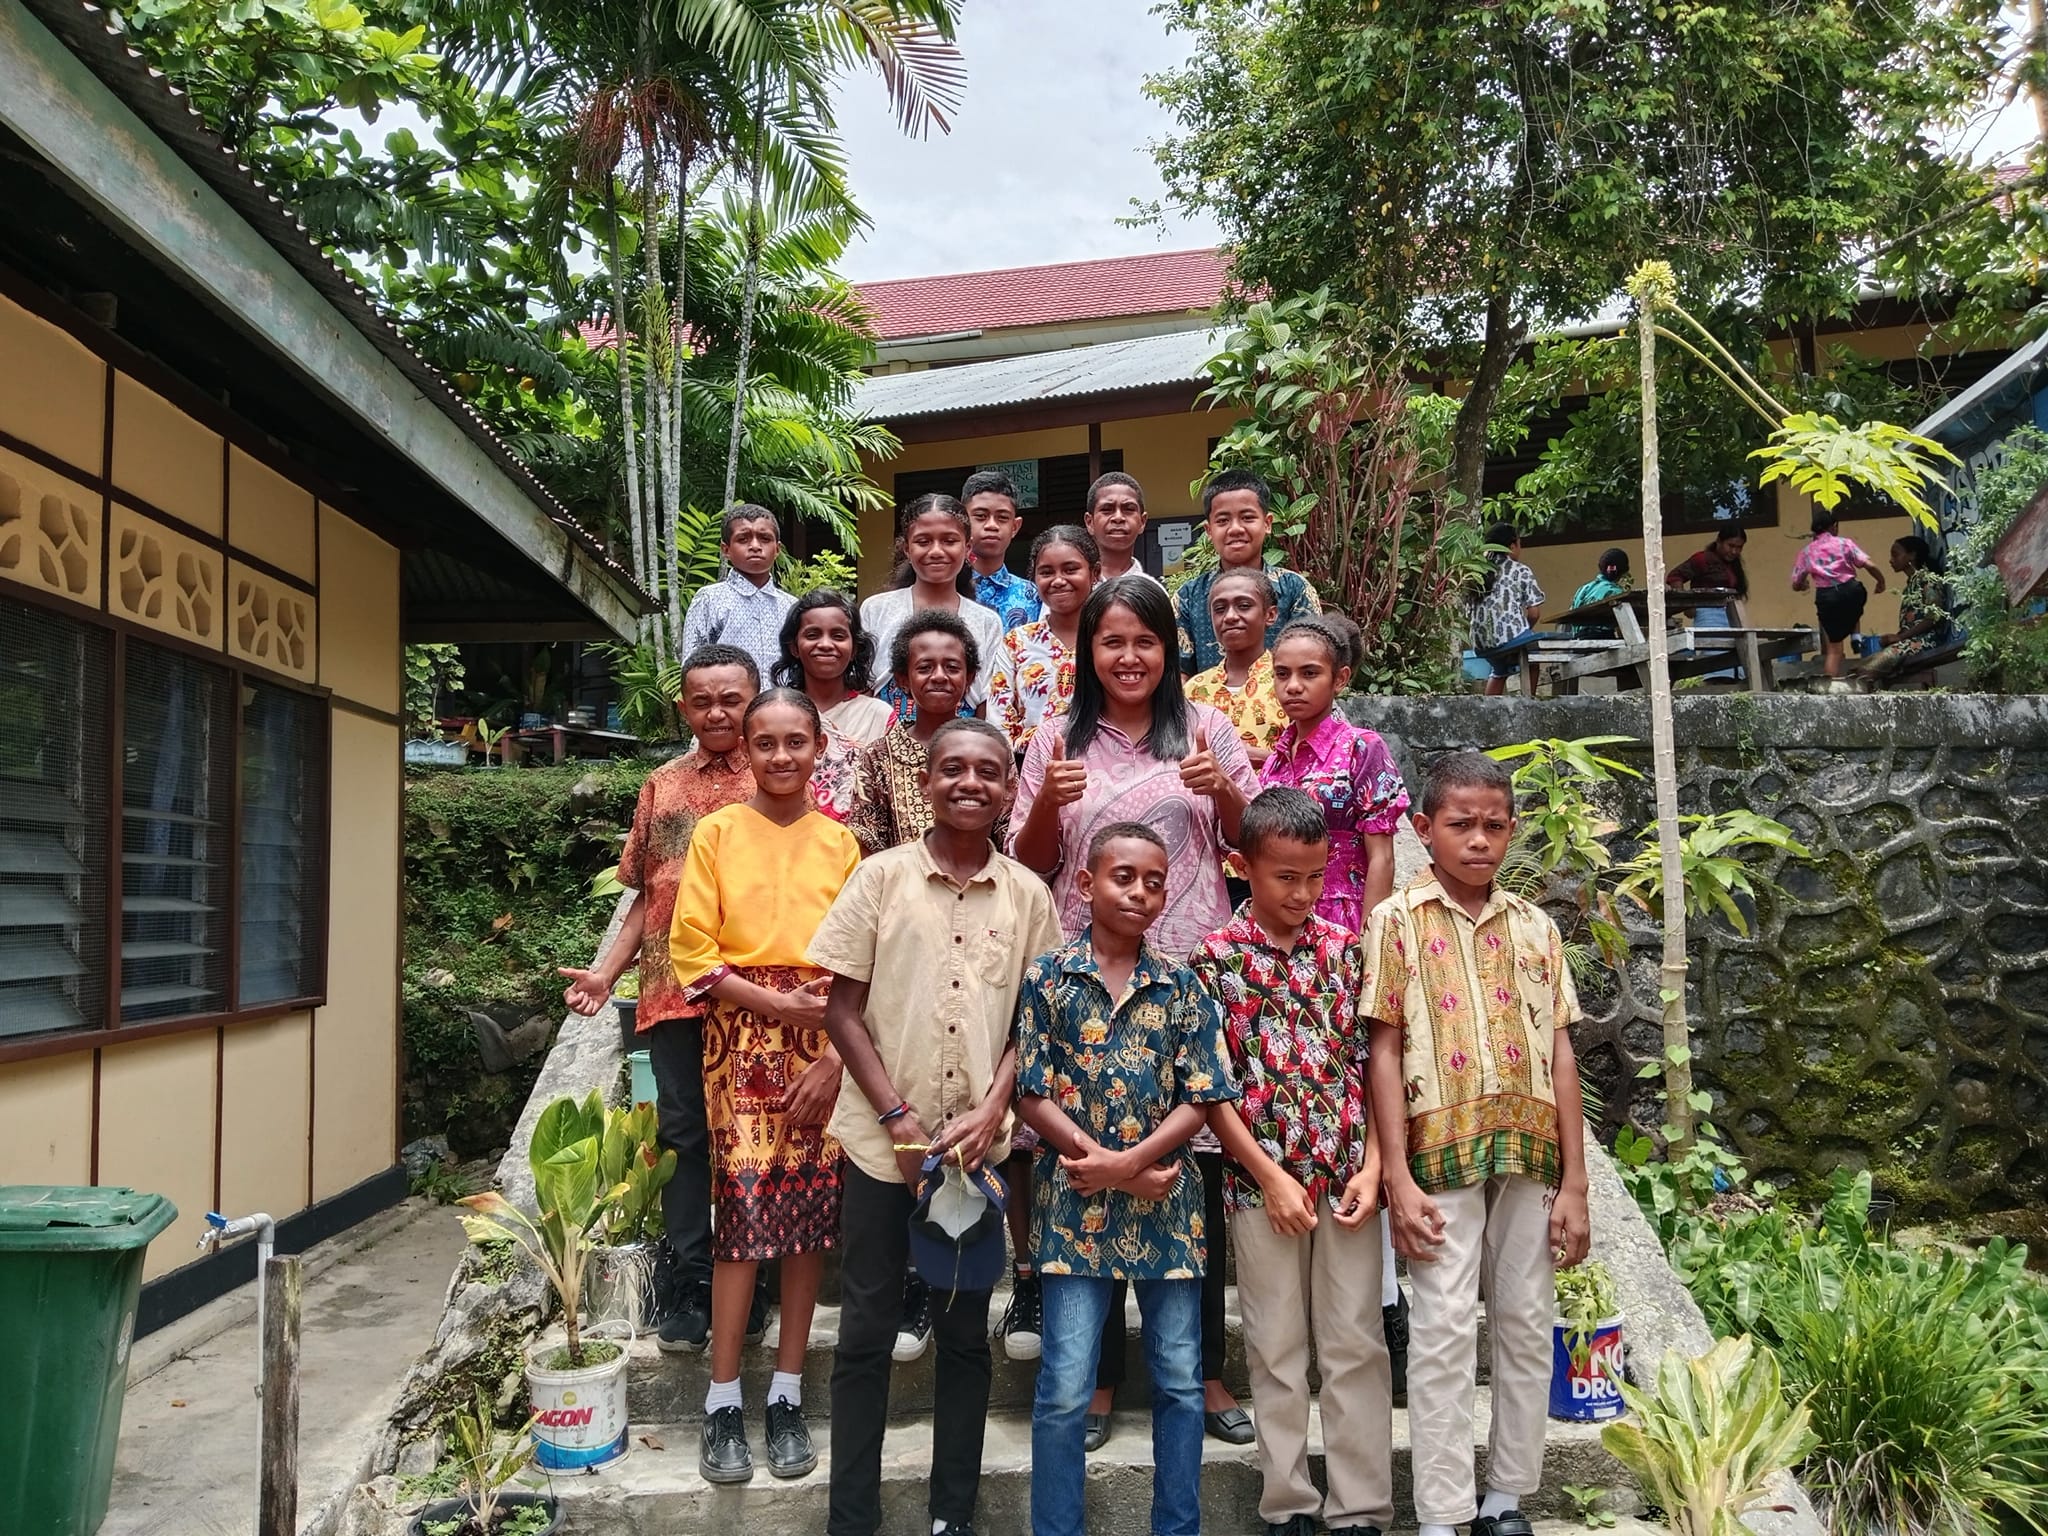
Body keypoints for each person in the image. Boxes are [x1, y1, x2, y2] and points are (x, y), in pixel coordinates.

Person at [1009, 573, 1258, 1448]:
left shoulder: (1208, 730)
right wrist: (1049, 800)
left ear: (1169, 650)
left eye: (1145, 641)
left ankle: (1209, 1373)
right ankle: (1101, 1380)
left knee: (1196, 1170)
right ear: (1089, 650)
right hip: (1090, 985)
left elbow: (1255, 841)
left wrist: (1224, 790)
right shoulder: (1055, 736)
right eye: (1111, 641)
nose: (1128, 656)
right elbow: (1031, 862)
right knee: (1092, 1167)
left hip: (1189, 976)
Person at [811, 718, 1063, 1536]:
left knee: (962, 1335)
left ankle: (952, 1514)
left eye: (988, 772)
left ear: (1009, 788)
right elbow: (842, 1010)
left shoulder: (1028, 896)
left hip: (972, 1158)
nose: (969, 783)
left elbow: (1036, 1023)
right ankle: (851, 1517)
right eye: (952, 768)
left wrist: (994, 1109)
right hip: (881, 1149)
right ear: (926, 782)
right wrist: (896, 1116)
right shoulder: (880, 878)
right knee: (865, 1332)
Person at [1362, 752, 1592, 1536]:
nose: (1480, 839)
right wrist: (1396, 1176)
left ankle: (1506, 1498)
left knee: (1526, 1318)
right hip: (1438, 1151)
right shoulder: (1396, 921)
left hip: (1531, 1152)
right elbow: (1383, 1050)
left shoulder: (1536, 926)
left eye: (1495, 825)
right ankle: (1441, 1512)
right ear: (1423, 829)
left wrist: (1577, 1183)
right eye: (1461, 824)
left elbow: (1560, 1052)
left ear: (1513, 829)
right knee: (1443, 1327)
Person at [1015, 821, 1238, 1536]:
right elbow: (1030, 1091)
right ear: (1085, 883)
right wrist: (1106, 1166)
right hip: (1072, 1212)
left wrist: (1131, 1164)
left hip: (1167, 1210)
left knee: (1179, 1382)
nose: (1139, 892)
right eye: (1123, 877)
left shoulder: (1182, 984)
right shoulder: (1048, 978)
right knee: (1064, 1388)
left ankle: (1177, 1527)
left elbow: (1203, 1094)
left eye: (1154, 882)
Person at [670, 689, 863, 1485]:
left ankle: (786, 1393)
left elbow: (861, 962)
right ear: (744, 751)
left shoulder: (841, 842)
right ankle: (722, 1400)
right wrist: (774, 1004)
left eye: (796, 742)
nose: (782, 757)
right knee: (746, 1211)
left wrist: (837, 1055)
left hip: (825, 1037)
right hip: (741, 1033)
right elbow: (693, 951)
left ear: (820, 748)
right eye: (766, 743)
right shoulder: (716, 832)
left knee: (811, 1218)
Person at [1193, 788, 1391, 1536]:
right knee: (1275, 1345)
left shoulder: (1345, 952)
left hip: (1347, 1181)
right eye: (1285, 877)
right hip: (1260, 1189)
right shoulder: (1214, 960)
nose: (1303, 893)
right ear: (1242, 865)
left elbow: (1373, 1070)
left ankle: (1360, 1506)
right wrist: (1269, 1177)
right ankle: (1288, 1503)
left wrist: (1375, 1166)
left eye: (1315, 876)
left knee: (1355, 1343)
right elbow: (1211, 1090)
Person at [557, 643, 759, 1354]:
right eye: (702, 700)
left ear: (754, 701)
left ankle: (749, 1278)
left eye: (731, 699)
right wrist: (605, 973)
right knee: (683, 1134)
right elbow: (649, 894)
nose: (717, 712)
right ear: (683, 708)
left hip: (755, 996)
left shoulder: (775, 779)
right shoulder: (662, 784)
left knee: (750, 1136)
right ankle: (691, 1280)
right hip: (674, 991)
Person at [1260, 618, 1408, 933]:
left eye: (1309, 673)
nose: (1293, 686)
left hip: (1344, 920)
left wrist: (1371, 941)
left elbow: (1382, 857)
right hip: (1282, 922)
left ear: (1340, 679)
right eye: (1282, 674)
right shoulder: (1275, 762)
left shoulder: (1361, 748)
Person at [847, 611, 987, 859]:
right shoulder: (878, 757)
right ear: (903, 679)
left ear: (969, 677)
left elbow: (1008, 838)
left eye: (952, 667)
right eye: (925, 668)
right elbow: (867, 849)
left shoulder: (990, 750)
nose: (939, 676)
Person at [860, 493, 1004, 717]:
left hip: (964, 736)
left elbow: (988, 702)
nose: (936, 551)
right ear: (907, 549)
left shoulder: (987, 622)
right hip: (883, 736)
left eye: (949, 541)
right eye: (923, 541)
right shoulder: (876, 610)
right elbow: (863, 688)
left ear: (967, 548)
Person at [1175, 469, 1323, 675]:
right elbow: (1179, 673)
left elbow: (1312, 664)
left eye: (1247, 517)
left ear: (1267, 523)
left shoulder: (1295, 589)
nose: (1235, 529)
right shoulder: (1188, 597)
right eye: (1223, 520)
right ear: (1209, 531)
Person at [773, 588, 891, 823]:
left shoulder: (878, 716)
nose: (825, 644)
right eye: (813, 635)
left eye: (838, 636)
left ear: (854, 648)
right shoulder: (774, 713)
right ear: (794, 647)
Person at [990, 525, 1100, 752]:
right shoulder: (1017, 643)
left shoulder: (1111, 638)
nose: (1058, 580)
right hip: (1028, 765)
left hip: (1104, 763)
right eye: (1047, 572)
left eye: (1070, 570)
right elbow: (999, 720)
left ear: (1095, 573)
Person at [679, 505, 797, 684]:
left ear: (777, 549)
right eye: (743, 539)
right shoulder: (709, 599)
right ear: (726, 549)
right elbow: (692, 664)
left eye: (765, 539)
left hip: (783, 700)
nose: (755, 546)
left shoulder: (791, 606)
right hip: (727, 698)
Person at [1184, 568, 1290, 769]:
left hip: (1276, 790)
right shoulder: (1194, 689)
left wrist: (1256, 757)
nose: (1230, 616)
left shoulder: (1288, 682)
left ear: (1270, 615)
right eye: (1220, 609)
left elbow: (1317, 758)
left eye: (1244, 606)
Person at [1793, 507, 1888, 679]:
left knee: (1834, 649)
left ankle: (1829, 684)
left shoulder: (1807, 552)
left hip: (1827, 597)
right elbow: (1869, 565)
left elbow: (1796, 583)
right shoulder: (1845, 544)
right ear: (1834, 526)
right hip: (1851, 590)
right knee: (1853, 606)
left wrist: (1803, 585)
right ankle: (1855, 636)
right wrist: (1881, 581)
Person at [1468, 522, 1544, 696]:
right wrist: (1525, 630)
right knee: (1533, 658)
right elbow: (1534, 613)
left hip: (1480, 641)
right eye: (1519, 544)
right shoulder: (1520, 570)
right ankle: (1528, 703)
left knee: (1499, 671)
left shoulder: (1477, 572)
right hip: (1510, 637)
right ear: (1512, 546)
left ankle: (1488, 709)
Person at [1858, 535, 1950, 679]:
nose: (1891, 560)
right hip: (1911, 640)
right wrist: (1895, 637)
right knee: (1861, 666)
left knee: (1872, 667)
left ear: (1911, 555)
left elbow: (1932, 618)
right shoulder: (1912, 584)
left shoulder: (1927, 581)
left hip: (1928, 641)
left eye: (1895, 555)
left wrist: (1900, 637)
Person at [964, 469, 1043, 632]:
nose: (992, 525)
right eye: (981, 516)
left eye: (1002, 518)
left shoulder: (1035, 597)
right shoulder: (944, 589)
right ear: (963, 521)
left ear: (1015, 527)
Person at [1083, 472, 1162, 587]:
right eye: (1107, 509)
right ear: (1090, 522)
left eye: (1129, 509)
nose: (1118, 518)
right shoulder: (1076, 587)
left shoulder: (1152, 590)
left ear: (1142, 522)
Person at [1568, 548, 1630, 639]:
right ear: (1622, 572)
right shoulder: (1616, 592)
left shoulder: (1583, 589)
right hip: (1601, 641)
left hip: (1577, 641)